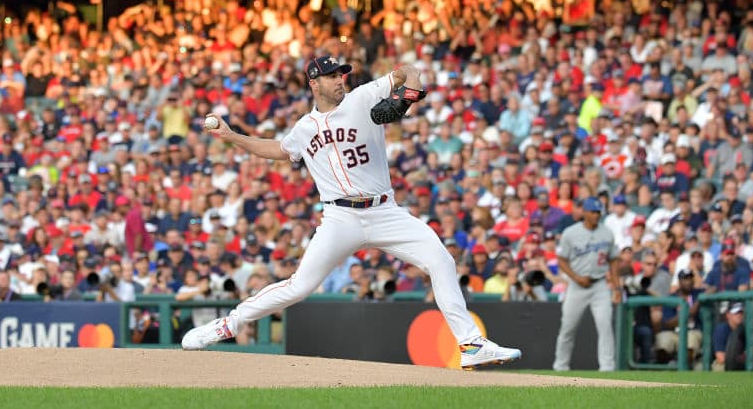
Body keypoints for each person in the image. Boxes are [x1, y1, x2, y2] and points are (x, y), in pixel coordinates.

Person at [180, 56, 521, 368]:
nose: (339, 80)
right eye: (331, 76)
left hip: (384, 211)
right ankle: (227, 325)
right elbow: (279, 150)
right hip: (339, 219)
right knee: (299, 286)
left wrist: (411, 89)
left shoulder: (362, 98)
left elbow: (406, 71)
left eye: (341, 74)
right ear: (314, 83)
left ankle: (471, 344)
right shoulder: (305, 127)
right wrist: (232, 136)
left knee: (441, 261)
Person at [553, 197, 620, 372]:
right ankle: (560, 366)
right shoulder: (570, 233)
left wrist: (617, 287)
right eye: (593, 212)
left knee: (605, 326)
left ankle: (607, 367)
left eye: (598, 212)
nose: (596, 215)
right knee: (568, 327)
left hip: (599, 284)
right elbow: (561, 260)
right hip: (577, 286)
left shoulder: (607, 233)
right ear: (584, 212)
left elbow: (614, 260)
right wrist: (575, 277)